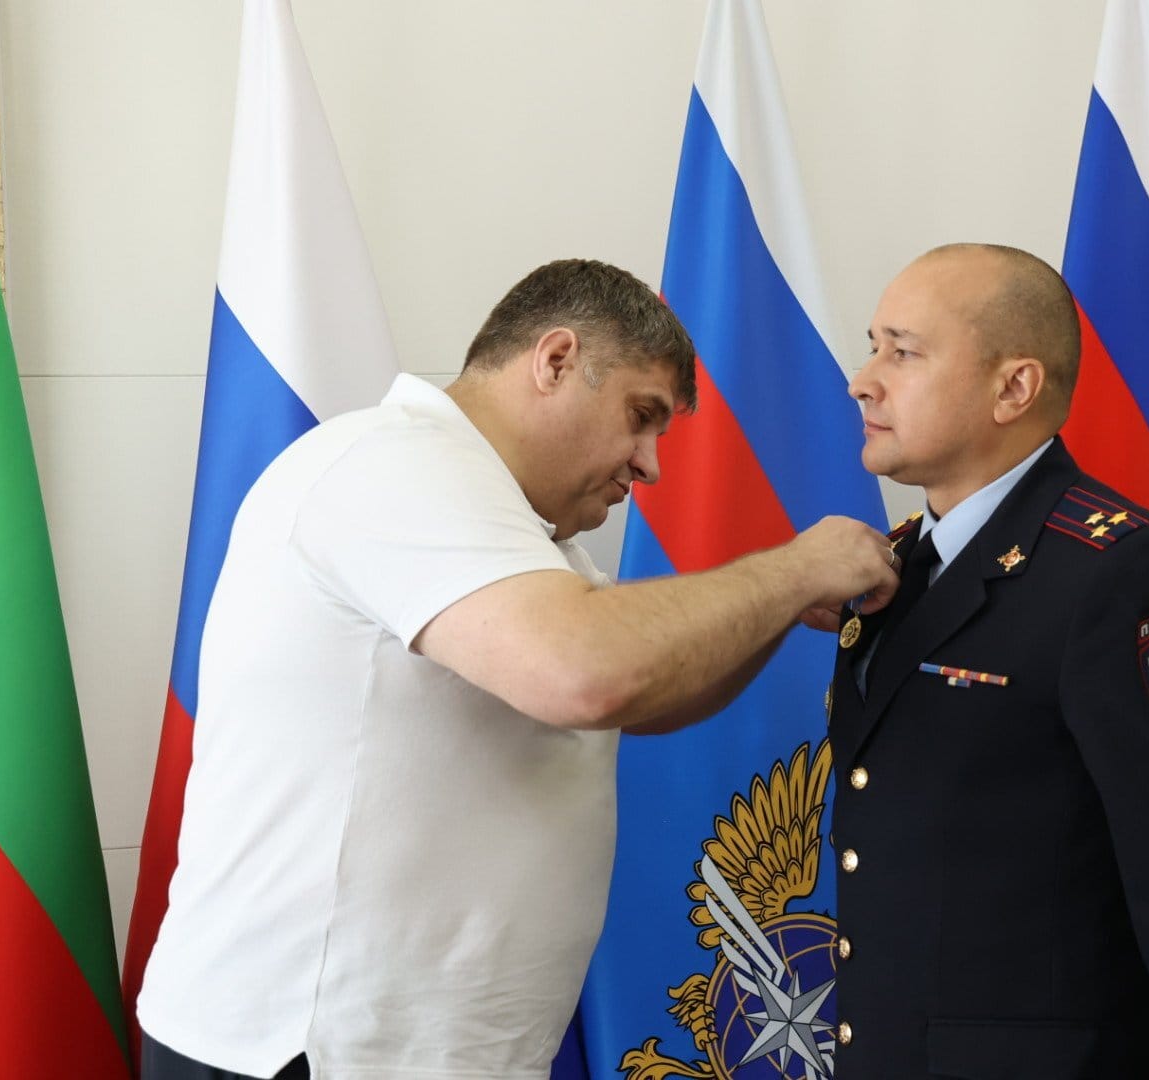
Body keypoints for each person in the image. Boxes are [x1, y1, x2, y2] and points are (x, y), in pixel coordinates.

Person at [134, 258, 901, 1080]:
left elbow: (645, 697)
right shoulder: (393, 466)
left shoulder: (522, 532)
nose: (650, 465)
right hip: (309, 1052)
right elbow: (587, 674)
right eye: (641, 416)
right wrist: (793, 570)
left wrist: (780, 606)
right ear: (557, 359)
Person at [827, 243, 1149, 1078]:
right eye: (873, 347)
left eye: (902, 353)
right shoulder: (895, 568)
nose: (863, 381)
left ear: (1014, 388)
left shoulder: (1122, 574)